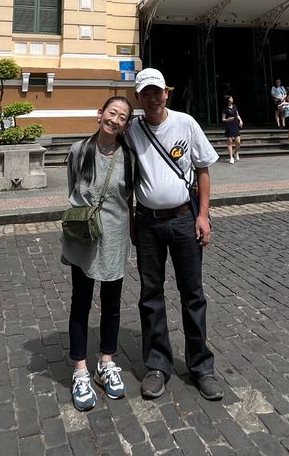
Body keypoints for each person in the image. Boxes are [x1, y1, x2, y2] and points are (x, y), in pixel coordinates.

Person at [128, 67, 223, 402]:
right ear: (137, 97)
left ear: (167, 93)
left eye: (157, 91)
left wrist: (203, 216)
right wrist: (131, 220)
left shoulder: (186, 123)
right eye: (146, 93)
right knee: (150, 294)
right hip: (148, 222)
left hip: (184, 219)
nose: (153, 98)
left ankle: (201, 367)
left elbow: (203, 170)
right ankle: (157, 365)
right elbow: (123, 175)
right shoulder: (132, 130)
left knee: (193, 293)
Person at [62, 96, 137, 411]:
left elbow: (129, 197)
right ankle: (80, 369)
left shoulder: (129, 157)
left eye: (122, 117)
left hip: (115, 237)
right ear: (99, 114)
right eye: (112, 113)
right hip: (84, 238)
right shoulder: (79, 151)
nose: (115, 120)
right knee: (80, 302)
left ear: (126, 125)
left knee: (111, 304)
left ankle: (106, 362)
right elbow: (72, 190)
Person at [221, 96, 243, 163]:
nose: (232, 99)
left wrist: (240, 120)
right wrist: (228, 119)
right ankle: (231, 157)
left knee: (238, 142)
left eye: (232, 98)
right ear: (228, 100)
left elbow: (237, 114)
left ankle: (235, 152)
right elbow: (223, 119)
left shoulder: (235, 106)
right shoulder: (225, 109)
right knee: (229, 142)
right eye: (231, 98)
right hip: (229, 126)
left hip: (235, 125)